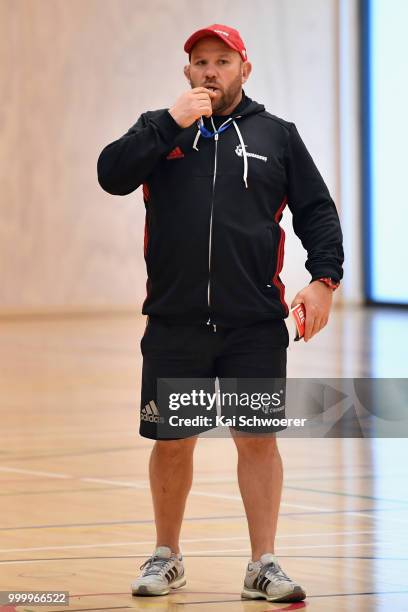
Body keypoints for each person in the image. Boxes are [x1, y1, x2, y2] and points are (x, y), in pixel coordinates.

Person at [97, 23, 344, 603]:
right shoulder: (160, 131)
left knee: (256, 440)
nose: (211, 71)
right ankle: (167, 557)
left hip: (253, 324)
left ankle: (263, 564)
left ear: (244, 69)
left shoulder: (277, 136)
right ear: (187, 72)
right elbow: (111, 175)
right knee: (172, 440)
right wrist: (166, 123)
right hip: (175, 324)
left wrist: (324, 280)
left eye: (222, 61)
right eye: (200, 61)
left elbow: (317, 211)